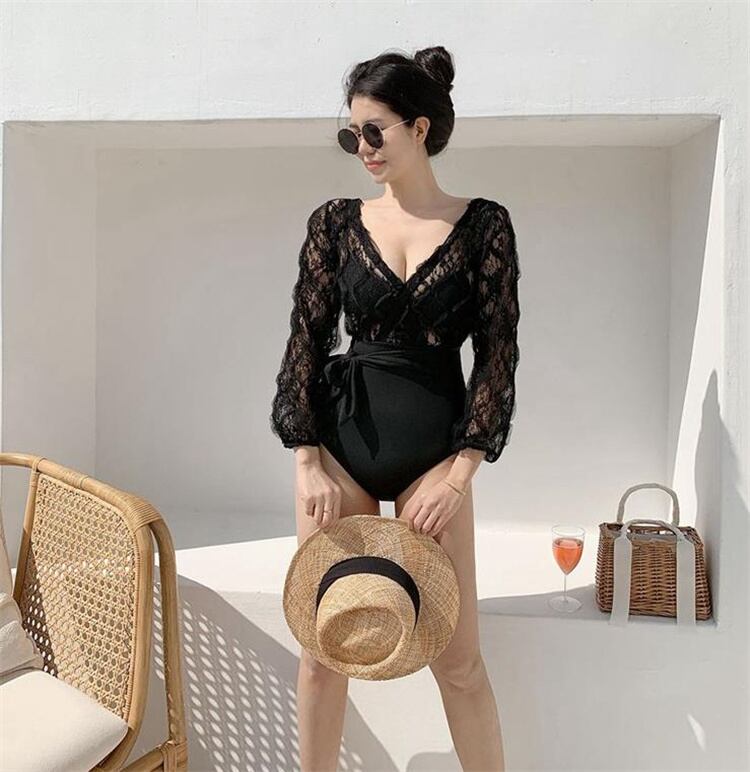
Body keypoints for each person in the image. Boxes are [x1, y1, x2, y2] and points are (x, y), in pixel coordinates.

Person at [270, 44, 520, 772]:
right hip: (341, 448)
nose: (363, 148)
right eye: (352, 134)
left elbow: (497, 356)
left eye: (375, 131)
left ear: (419, 127)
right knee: (322, 654)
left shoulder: (484, 225)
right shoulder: (334, 222)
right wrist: (307, 462)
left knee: (459, 663)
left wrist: (461, 476)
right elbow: (305, 340)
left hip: (437, 456)